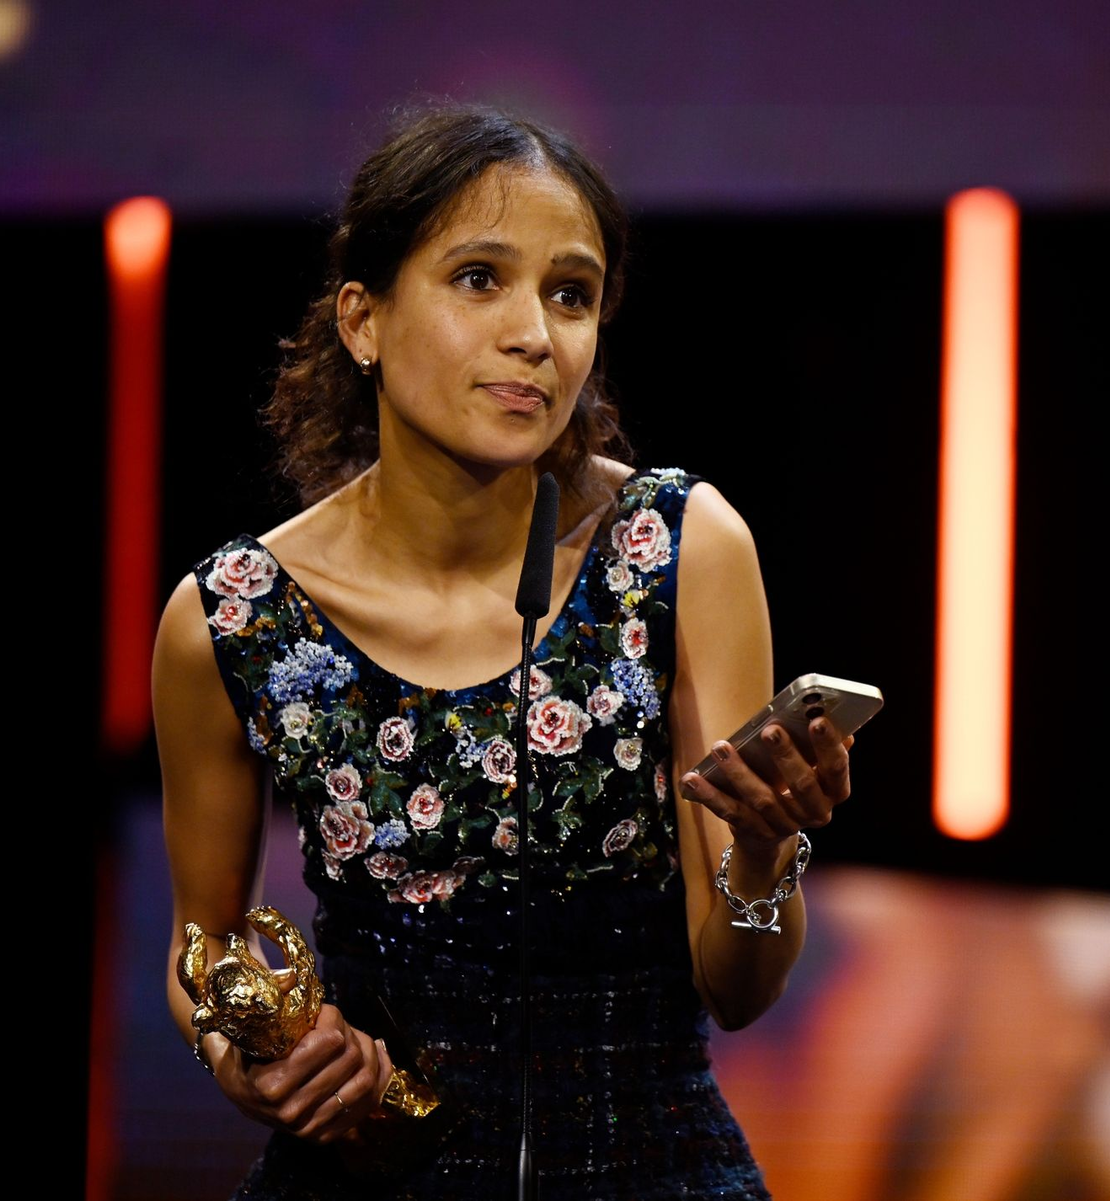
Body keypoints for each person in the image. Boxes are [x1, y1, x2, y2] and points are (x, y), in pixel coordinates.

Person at [154, 105, 855, 1200]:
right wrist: (253, 1059)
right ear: (363, 320)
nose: (535, 332)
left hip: (649, 1168)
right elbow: (203, 941)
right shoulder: (234, 615)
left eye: (570, 294)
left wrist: (762, 858)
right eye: (480, 278)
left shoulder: (679, 549)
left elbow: (740, 987)